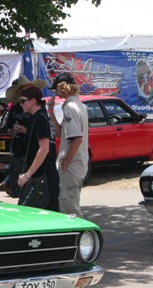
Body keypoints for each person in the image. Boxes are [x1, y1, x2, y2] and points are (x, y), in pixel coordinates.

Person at [46, 72, 89, 217]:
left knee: (69, 208)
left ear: (62, 87)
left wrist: (65, 161)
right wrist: (51, 111)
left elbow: (77, 138)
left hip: (72, 165)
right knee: (70, 204)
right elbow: (60, 133)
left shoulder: (70, 107)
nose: (55, 92)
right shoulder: (79, 105)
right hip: (78, 164)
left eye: (56, 89)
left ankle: (80, 231)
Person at [1, 75, 48, 197]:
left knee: (31, 189)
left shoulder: (40, 113)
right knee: (18, 187)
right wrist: (13, 131)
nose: (25, 91)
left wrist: (26, 130)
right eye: (23, 90)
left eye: (28, 89)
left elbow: (44, 145)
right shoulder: (15, 108)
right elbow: (7, 128)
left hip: (33, 151)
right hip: (18, 150)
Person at [17, 87, 60, 211]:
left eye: (23, 101)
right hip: (46, 177)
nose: (20, 104)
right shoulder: (41, 117)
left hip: (41, 179)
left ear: (33, 101)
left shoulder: (40, 118)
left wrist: (28, 175)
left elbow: (44, 149)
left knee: (26, 215)